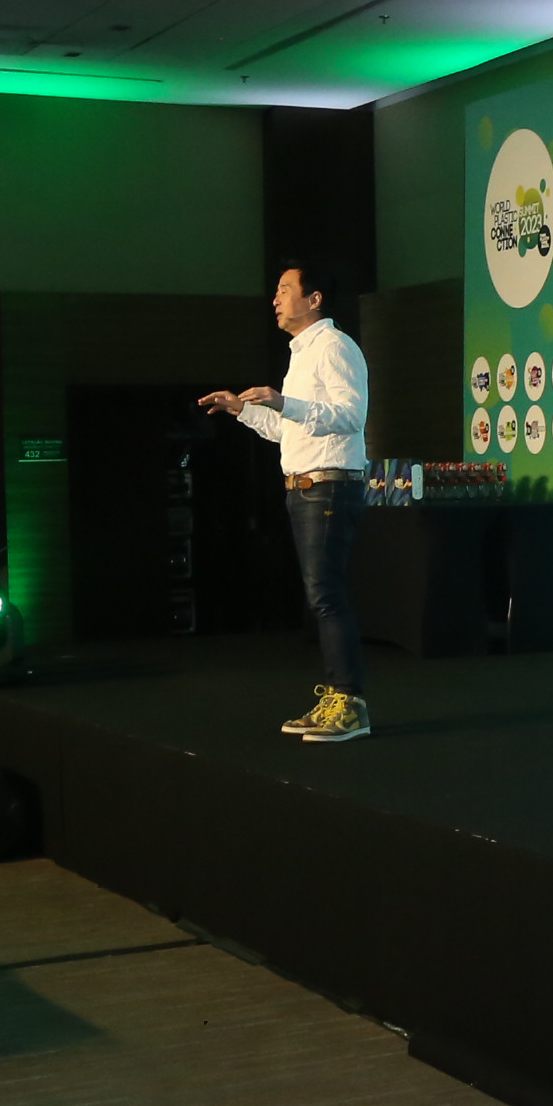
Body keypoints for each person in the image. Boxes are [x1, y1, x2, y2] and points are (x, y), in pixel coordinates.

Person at [203, 262, 370, 744]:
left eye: (284, 290)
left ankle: (351, 705)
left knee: (326, 596)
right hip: (304, 485)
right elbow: (288, 430)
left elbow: (350, 415)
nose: (275, 299)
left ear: (314, 299)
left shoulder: (334, 346)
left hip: (328, 484)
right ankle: (337, 698)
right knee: (320, 596)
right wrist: (244, 409)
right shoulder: (302, 354)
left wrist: (283, 402)